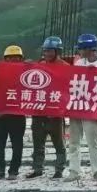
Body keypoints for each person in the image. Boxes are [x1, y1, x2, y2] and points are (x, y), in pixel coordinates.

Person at [67, 33, 97, 181]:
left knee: (94, 141)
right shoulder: (79, 63)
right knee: (74, 141)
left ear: (88, 49)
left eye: (81, 49)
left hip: (93, 108)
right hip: (77, 106)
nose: (79, 52)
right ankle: (74, 170)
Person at [27, 36, 68, 179]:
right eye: (45, 51)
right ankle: (37, 168)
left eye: (50, 51)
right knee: (38, 143)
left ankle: (59, 169)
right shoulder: (39, 65)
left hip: (55, 113)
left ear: (57, 51)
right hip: (39, 111)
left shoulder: (65, 67)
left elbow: (68, 89)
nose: (47, 54)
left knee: (59, 144)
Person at [0, 45, 27, 182]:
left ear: (21, 59)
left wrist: (32, 67)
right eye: (10, 58)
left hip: (17, 115)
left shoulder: (26, 72)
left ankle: (14, 171)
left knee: (17, 145)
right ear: (5, 59)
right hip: (0, 115)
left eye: (16, 58)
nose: (13, 61)